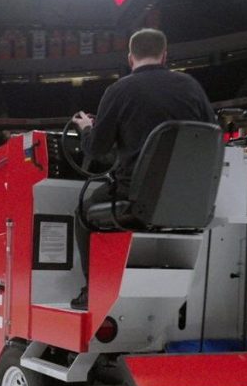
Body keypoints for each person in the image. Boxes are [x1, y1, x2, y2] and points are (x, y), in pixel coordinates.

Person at [70, 28, 216, 310]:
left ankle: (95, 291)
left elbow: (97, 149)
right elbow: (210, 133)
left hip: (137, 197)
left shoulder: (119, 90)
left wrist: (88, 129)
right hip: (191, 199)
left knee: (83, 213)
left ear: (130, 58)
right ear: (164, 55)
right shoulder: (191, 86)